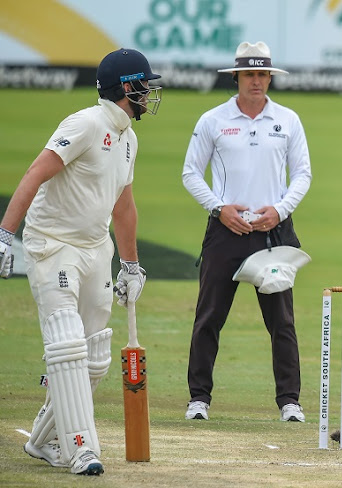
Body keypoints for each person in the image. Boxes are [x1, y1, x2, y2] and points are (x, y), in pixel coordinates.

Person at [0, 48, 161, 475]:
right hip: (53, 245)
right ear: (128, 87)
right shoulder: (86, 124)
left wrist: (131, 265)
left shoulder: (128, 137)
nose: (150, 94)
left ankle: (42, 440)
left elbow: (124, 207)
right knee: (67, 344)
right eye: (146, 86)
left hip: (95, 249)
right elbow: (35, 173)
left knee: (94, 358)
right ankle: (81, 449)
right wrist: (4, 235)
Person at [182, 41, 312, 423]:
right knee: (209, 316)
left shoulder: (287, 120)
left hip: (272, 231)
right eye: (250, 74)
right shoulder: (213, 120)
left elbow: (302, 173)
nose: (257, 81)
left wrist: (280, 210)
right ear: (236, 77)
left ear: (270, 77)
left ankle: (290, 401)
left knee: (282, 322)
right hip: (226, 231)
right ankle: (198, 399)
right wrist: (219, 209)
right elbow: (191, 172)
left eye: (263, 74)